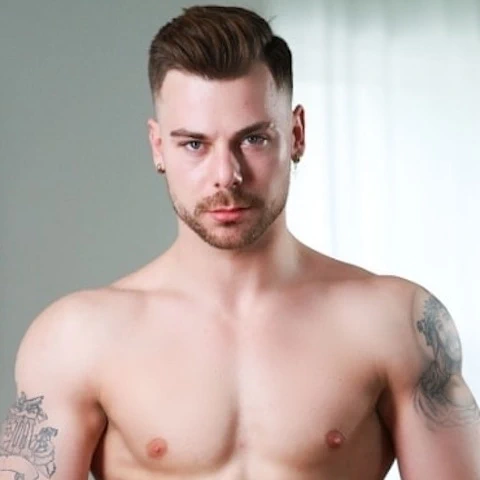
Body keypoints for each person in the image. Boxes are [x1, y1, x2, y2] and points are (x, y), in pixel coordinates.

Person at [1, 5, 479, 479]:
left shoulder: (398, 323)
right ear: (158, 147)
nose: (226, 175)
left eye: (253, 139)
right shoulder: (76, 338)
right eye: (194, 144)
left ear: (296, 134)